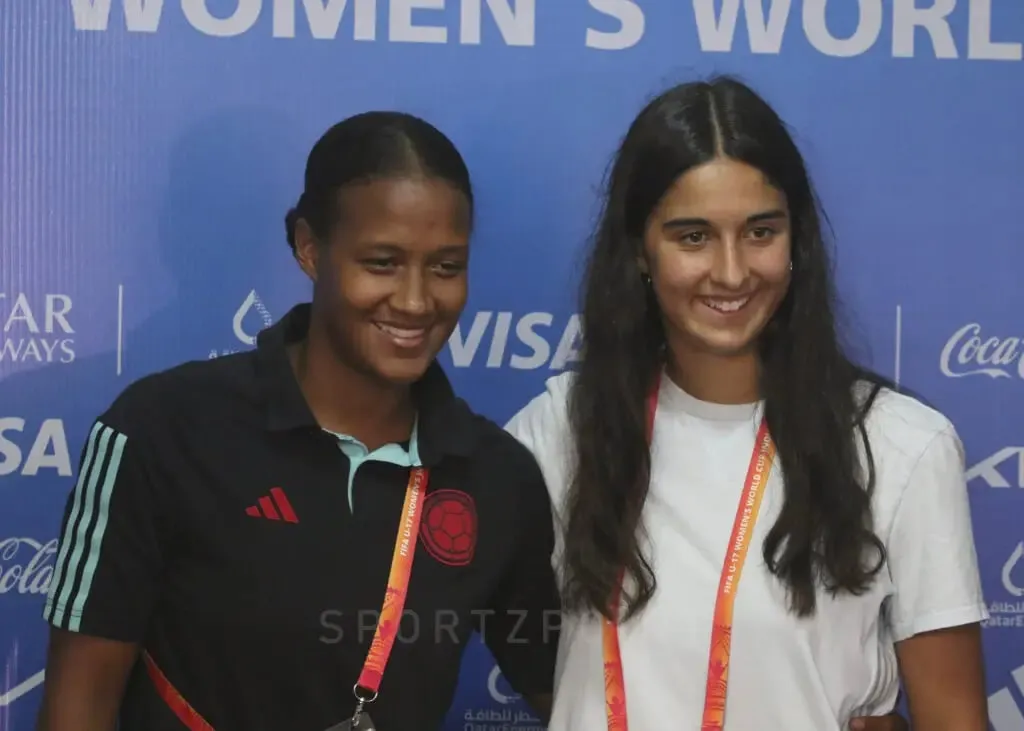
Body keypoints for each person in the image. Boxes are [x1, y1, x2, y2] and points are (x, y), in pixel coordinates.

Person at [36, 112, 560, 731]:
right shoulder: (161, 430)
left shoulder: (496, 476)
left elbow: (572, 693)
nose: (418, 300)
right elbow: (79, 705)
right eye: (383, 262)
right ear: (310, 248)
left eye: (446, 267)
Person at [505, 77, 989, 731]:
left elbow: (953, 718)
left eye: (760, 231)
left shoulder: (901, 444)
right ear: (640, 250)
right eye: (693, 236)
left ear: (798, 243)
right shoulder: (557, 430)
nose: (732, 273)